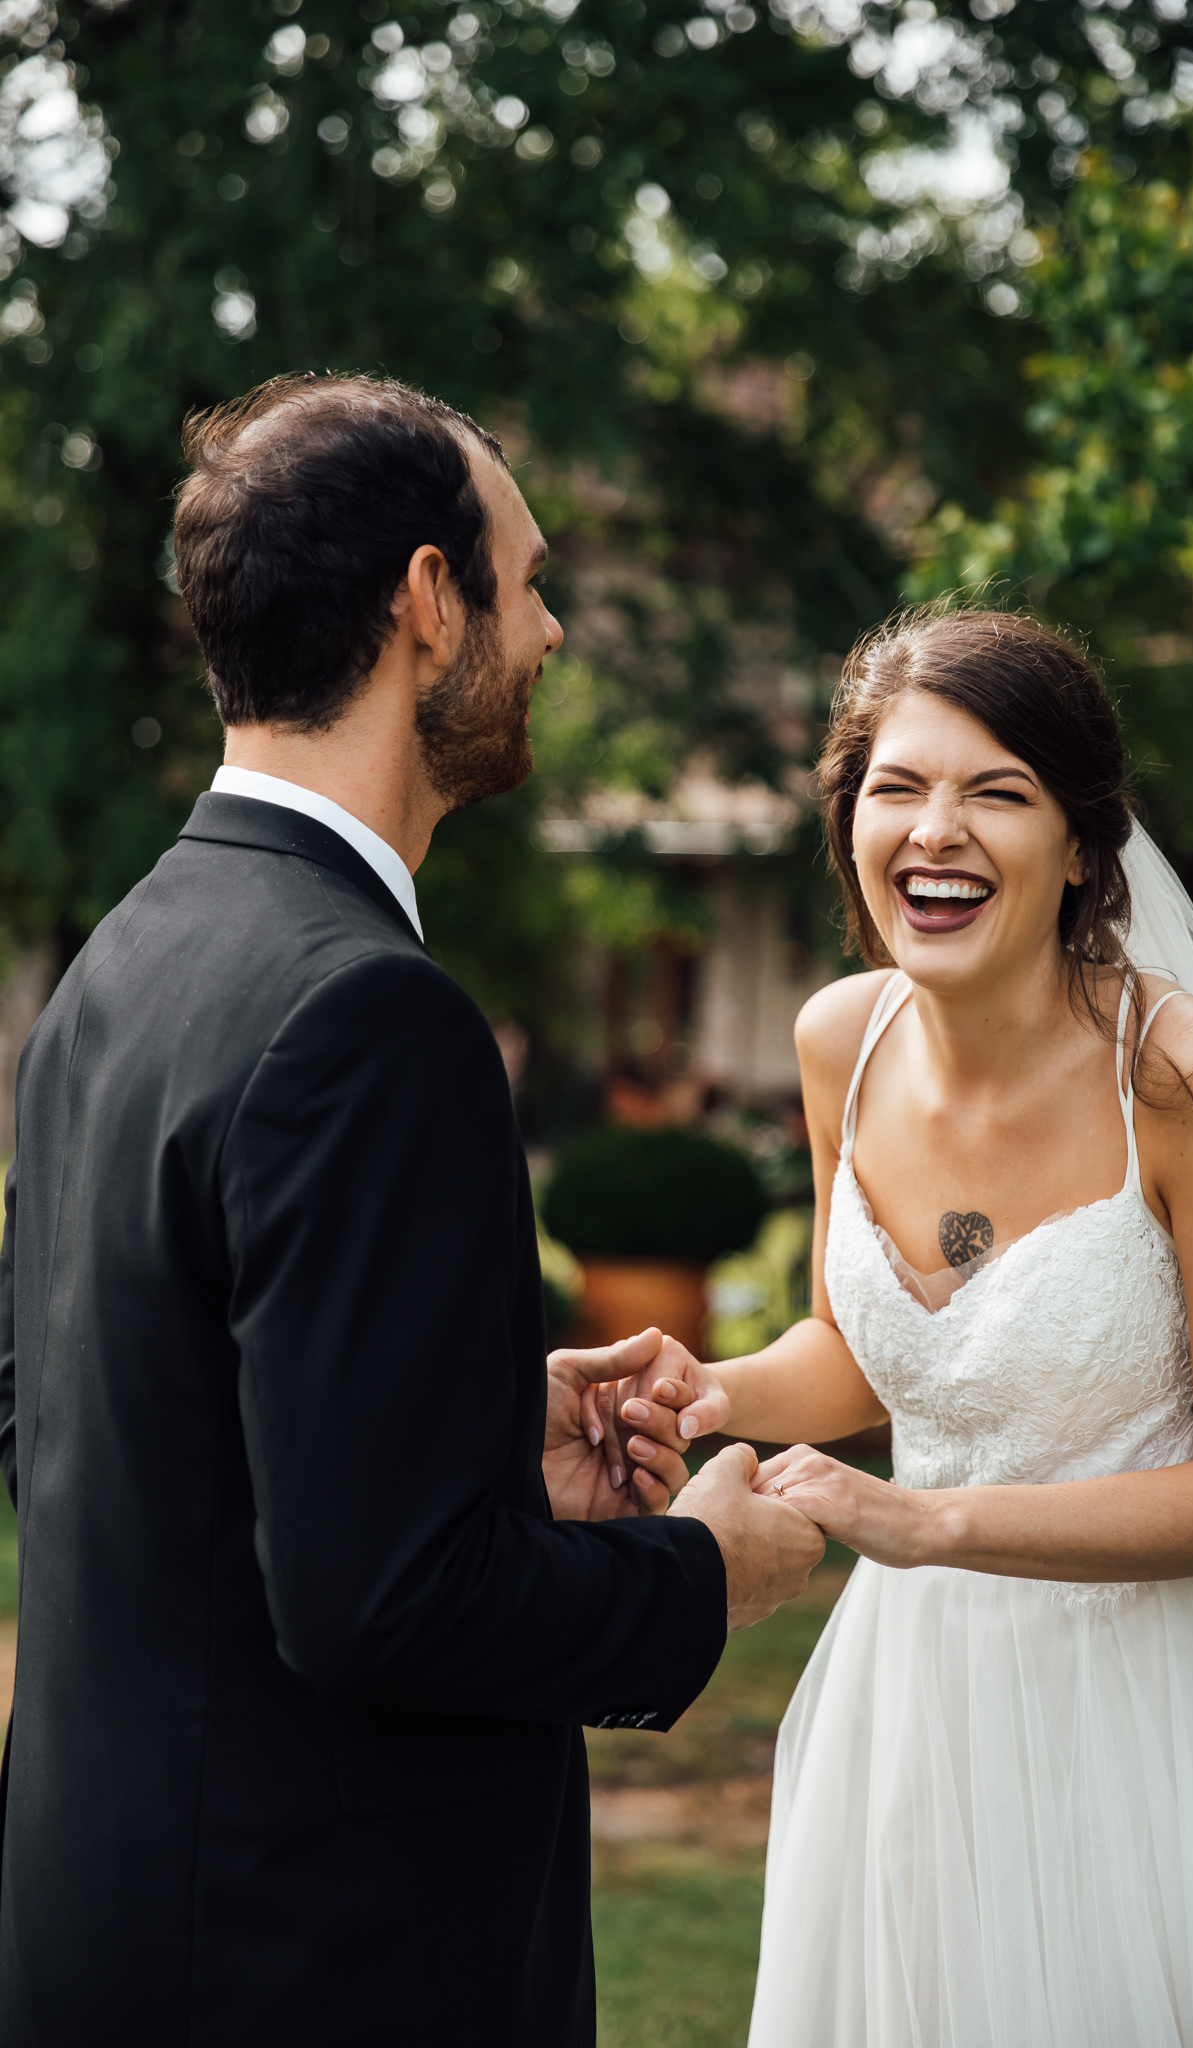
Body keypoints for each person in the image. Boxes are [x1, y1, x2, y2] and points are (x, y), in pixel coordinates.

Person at [0, 373, 823, 2046]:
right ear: (425, 602)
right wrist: (699, 1575)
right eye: (525, 583)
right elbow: (384, 1607)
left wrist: (446, 1423)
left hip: (103, 1919)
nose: (553, 633)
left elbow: (73, 1419)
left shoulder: (125, 959)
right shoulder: (371, 1012)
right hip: (321, 1960)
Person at [592, 609, 1193, 2045]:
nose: (932, 832)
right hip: (910, 1706)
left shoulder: (1189, 1077)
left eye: (994, 792)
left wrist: (931, 1523)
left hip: (1147, 1717)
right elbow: (867, 1346)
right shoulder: (841, 1039)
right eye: (896, 787)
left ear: (1080, 846)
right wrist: (711, 1391)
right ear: (847, 821)